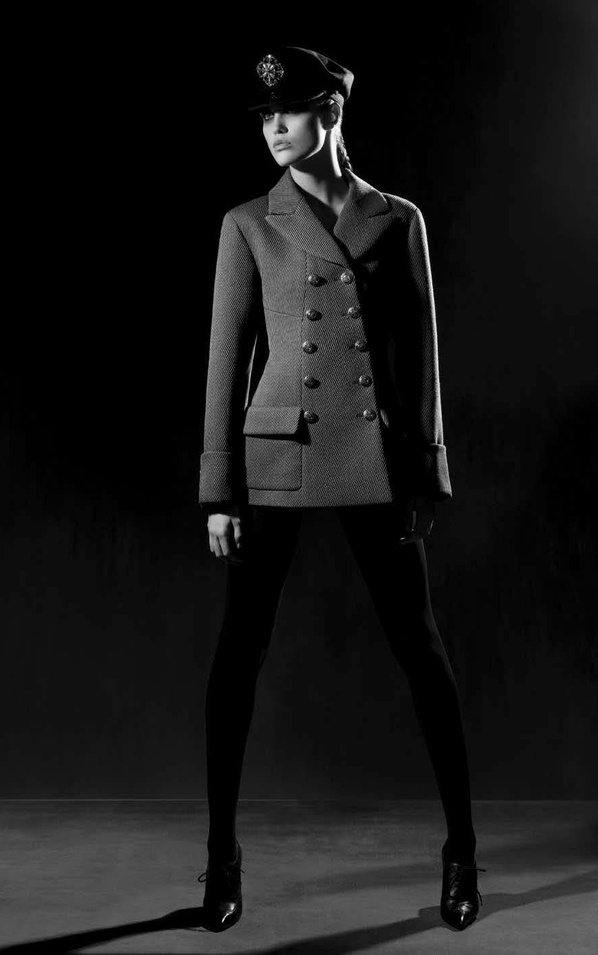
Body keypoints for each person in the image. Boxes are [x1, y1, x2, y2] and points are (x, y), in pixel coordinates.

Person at [197, 45, 485, 933]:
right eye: (263, 116)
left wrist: (426, 471)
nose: (273, 128)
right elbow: (227, 360)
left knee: (422, 652)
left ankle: (463, 851)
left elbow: (420, 354)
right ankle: (221, 858)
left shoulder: (397, 219)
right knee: (238, 657)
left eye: (288, 111)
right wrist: (219, 488)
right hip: (277, 454)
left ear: (331, 109)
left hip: (372, 455)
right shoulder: (248, 222)